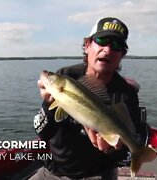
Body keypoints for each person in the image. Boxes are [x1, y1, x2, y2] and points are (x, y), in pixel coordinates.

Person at [31, 17, 149, 180]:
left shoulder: (126, 94)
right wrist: (48, 104)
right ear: (87, 45)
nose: (107, 49)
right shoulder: (66, 76)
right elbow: (42, 132)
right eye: (102, 40)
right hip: (54, 173)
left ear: (122, 54)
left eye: (116, 45)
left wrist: (111, 149)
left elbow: (125, 152)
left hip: (99, 175)